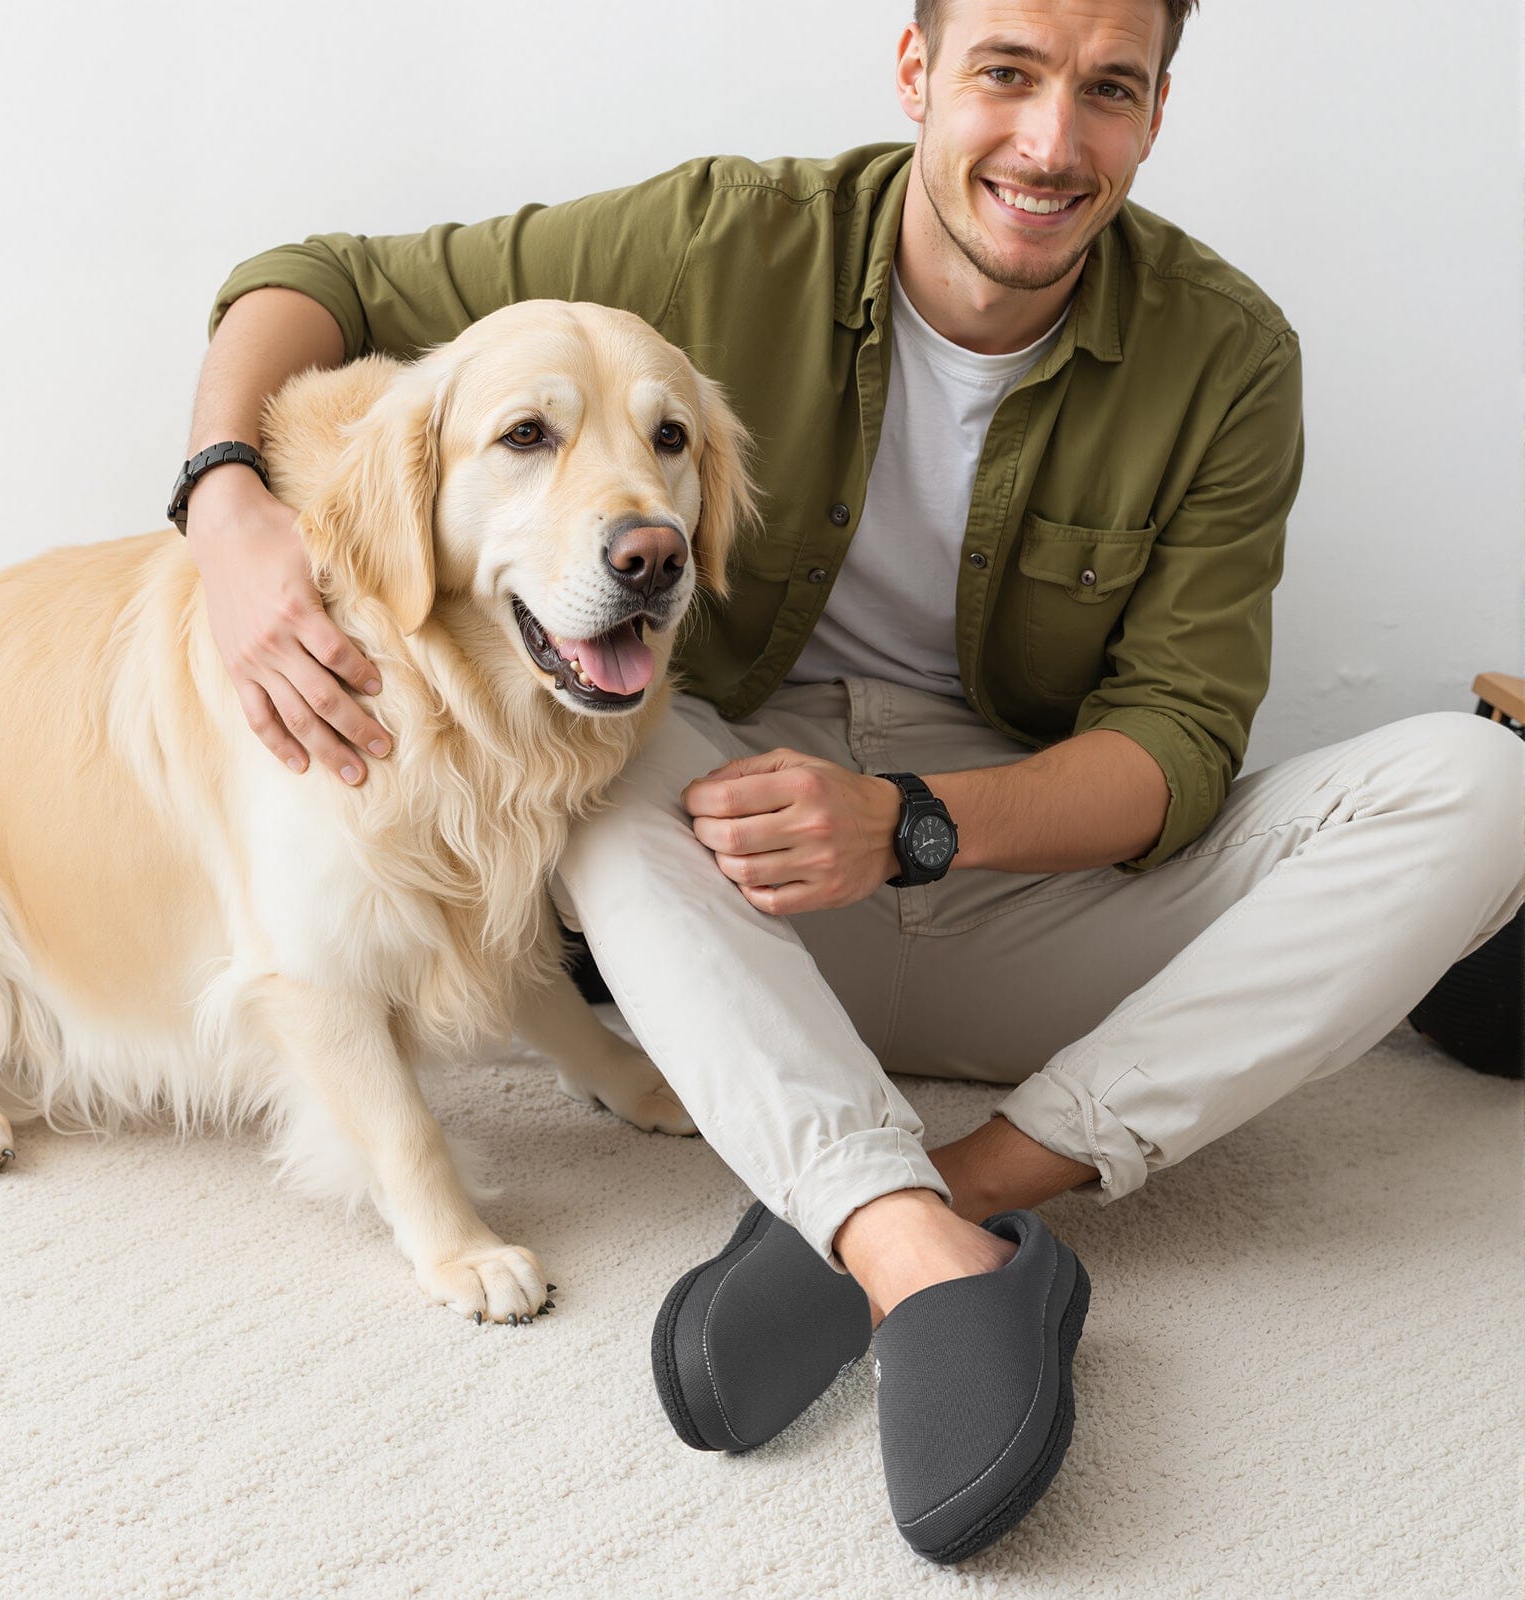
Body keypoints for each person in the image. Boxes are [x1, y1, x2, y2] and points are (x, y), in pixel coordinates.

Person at [179, 0, 1525, 1563]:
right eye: (1006, 75)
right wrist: (222, 510)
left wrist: (917, 826)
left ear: (1158, 112)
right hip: (737, 897)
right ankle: (923, 1261)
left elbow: (1177, 748)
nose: (1049, 142)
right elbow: (316, 280)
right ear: (917, 74)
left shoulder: (1229, 357)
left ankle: (943, 1189)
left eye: (1108, 91)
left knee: (1484, 788)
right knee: (611, 750)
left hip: (1033, 894)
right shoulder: (717, 242)